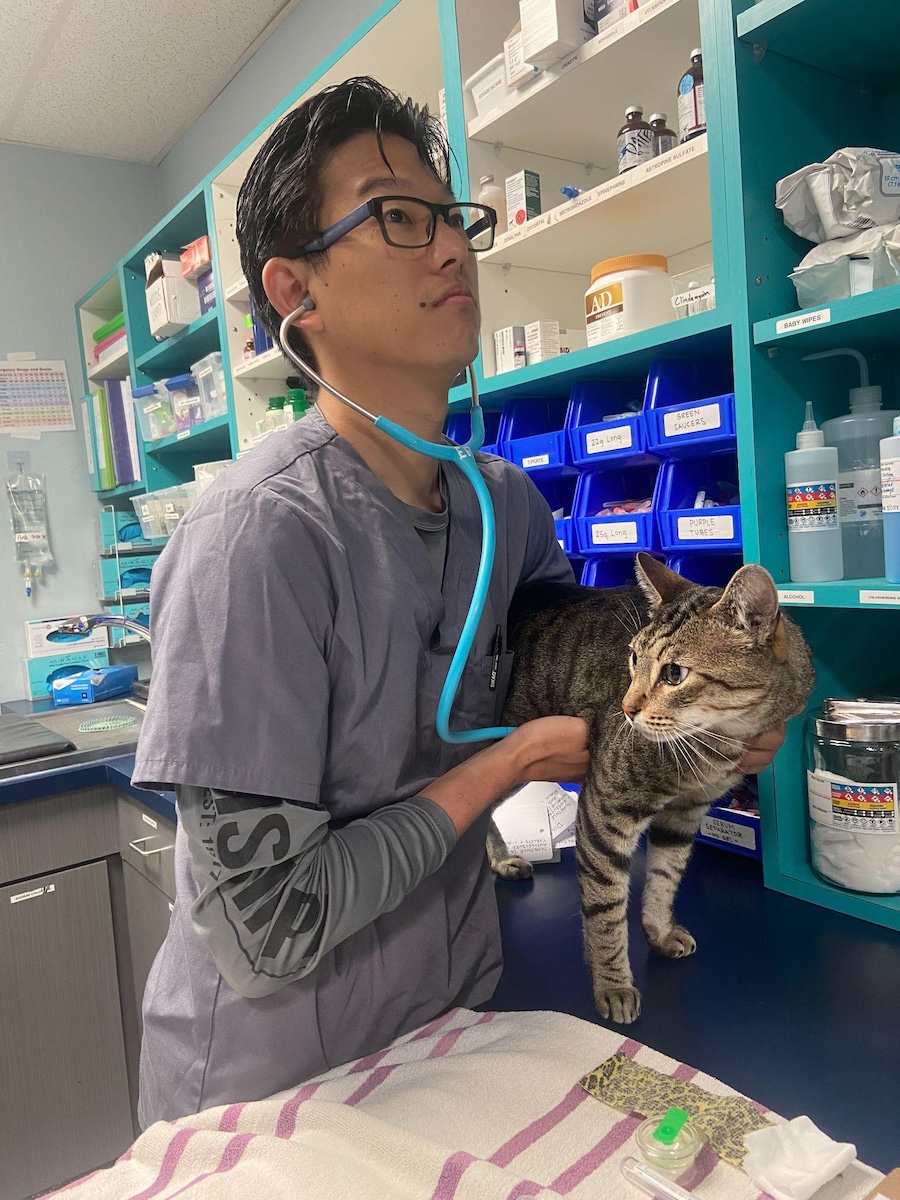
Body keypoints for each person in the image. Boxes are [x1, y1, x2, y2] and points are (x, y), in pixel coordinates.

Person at [132, 77, 782, 1127]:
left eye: (452, 217)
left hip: (449, 1020)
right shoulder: (255, 541)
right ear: (295, 293)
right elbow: (266, 931)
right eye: (398, 217)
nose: (450, 248)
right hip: (273, 1086)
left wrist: (714, 726)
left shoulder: (508, 507)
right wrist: (511, 763)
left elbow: (582, 674)